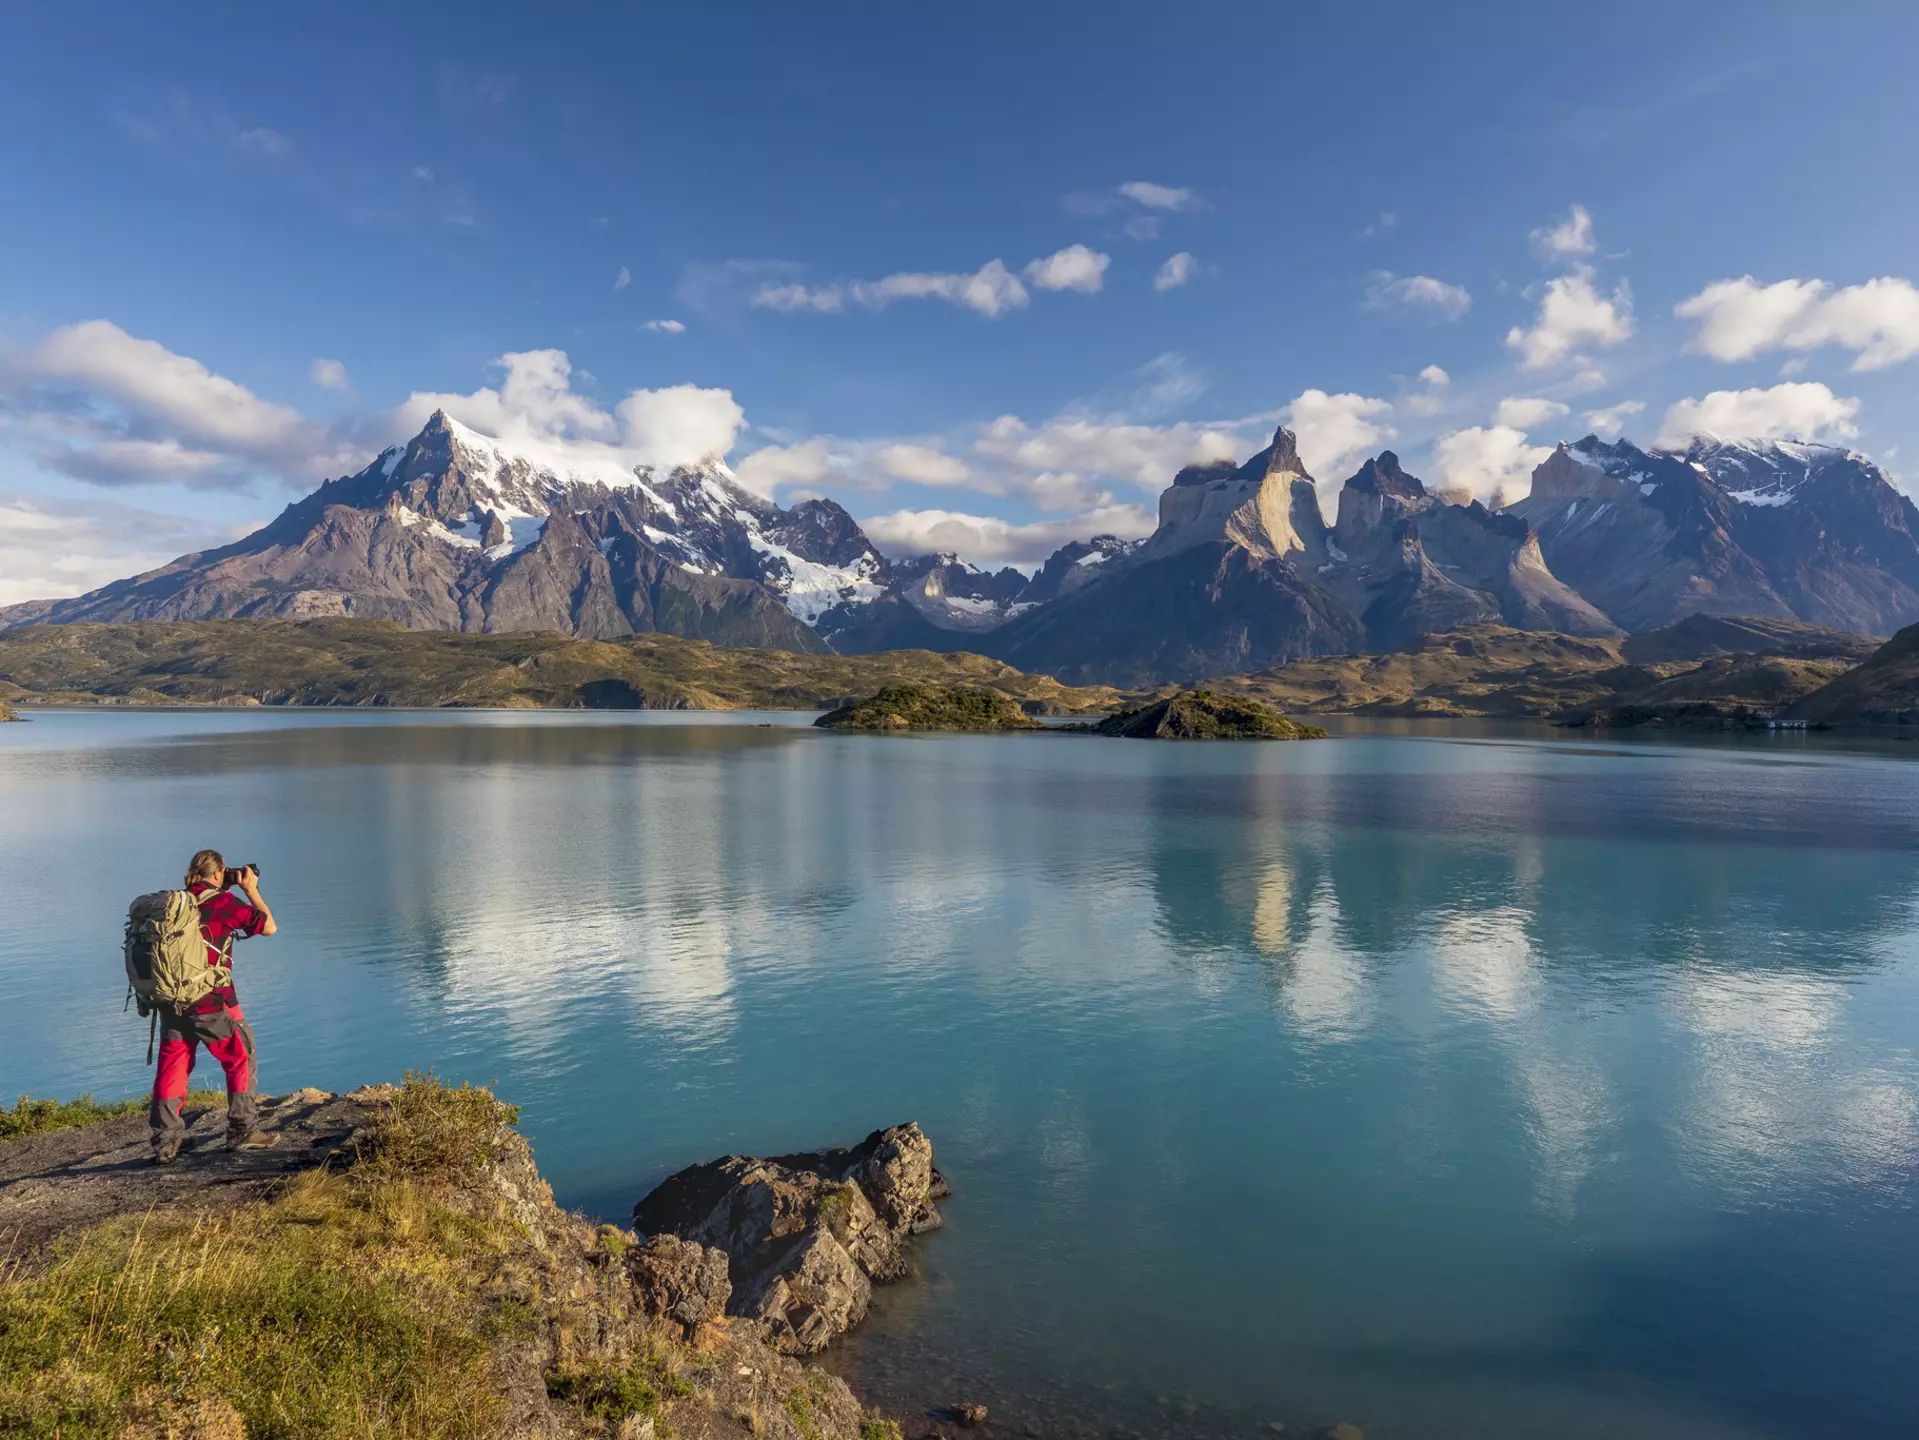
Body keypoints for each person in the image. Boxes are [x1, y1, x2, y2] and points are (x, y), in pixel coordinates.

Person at [149, 848, 281, 1163]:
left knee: (173, 1066)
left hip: (172, 1000)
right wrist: (250, 890)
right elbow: (268, 927)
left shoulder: (178, 903)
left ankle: (166, 1143)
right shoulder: (223, 902)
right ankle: (242, 1130)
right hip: (208, 1001)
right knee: (240, 1055)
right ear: (220, 873)